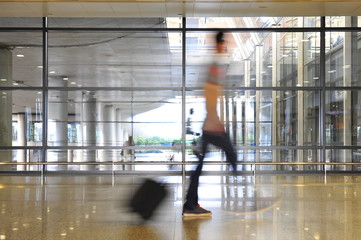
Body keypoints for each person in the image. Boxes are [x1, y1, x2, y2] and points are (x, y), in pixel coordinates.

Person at [182, 31, 238, 217]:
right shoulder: (216, 63)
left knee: (199, 167)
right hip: (211, 126)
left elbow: (210, 92)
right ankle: (243, 185)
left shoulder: (216, 62)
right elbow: (210, 92)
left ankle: (190, 204)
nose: (228, 46)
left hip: (209, 125)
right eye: (226, 42)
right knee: (231, 153)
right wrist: (214, 120)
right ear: (220, 44)